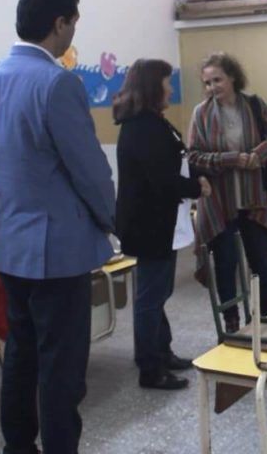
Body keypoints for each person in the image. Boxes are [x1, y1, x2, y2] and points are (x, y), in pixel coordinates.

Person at [0, 0, 116, 454]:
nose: (74, 31)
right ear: (59, 23)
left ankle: (18, 447)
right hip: (57, 252)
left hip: (10, 246)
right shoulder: (57, 82)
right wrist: (113, 220)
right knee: (61, 367)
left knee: (20, 354)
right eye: (74, 22)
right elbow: (90, 171)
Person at [114, 58, 211, 390]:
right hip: (149, 224)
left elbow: (175, 162)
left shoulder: (151, 122)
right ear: (153, 86)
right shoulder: (143, 127)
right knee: (150, 297)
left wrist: (194, 178)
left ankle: (162, 350)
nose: (171, 88)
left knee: (158, 292)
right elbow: (162, 180)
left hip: (157, 222)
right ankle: (150, 368)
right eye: (168, 82)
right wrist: (196, 188)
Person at [188, 53, 267, 334]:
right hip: (219, 204)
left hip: (253, 200)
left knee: (262, 266)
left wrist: (258, 155)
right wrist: (232, 159)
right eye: (207, 83)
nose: (212, 87)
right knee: (225, 266)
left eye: (217, 80)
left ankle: (265, 321)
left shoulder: (254, 105)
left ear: (233, 78)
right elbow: (194, 157)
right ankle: (231, 323)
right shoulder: (201, 113)